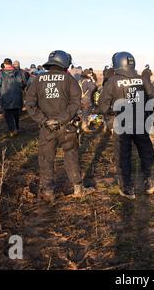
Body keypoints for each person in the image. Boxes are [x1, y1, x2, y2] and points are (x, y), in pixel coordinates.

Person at [25, 50, 92, 201]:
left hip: (46, 128)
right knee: (71, 155)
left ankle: (48, 191)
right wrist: (61, 119)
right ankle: (78, 188)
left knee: (46, 158)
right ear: (65, 63)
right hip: (67, 126)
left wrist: (44, 120)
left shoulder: (38, 79)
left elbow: (30, 104)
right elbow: (76, 103)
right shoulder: (69, 79)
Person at [99, 52, 154, 200]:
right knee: (146, 150)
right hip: (140, 121)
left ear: (117, 63)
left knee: (123, 155)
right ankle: (150, 183)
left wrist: (110, 119)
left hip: (122, 123)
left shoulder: (112, 81)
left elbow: (103, 105)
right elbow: (151, 98)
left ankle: (127, 188)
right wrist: (146, 115)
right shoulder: (142, 79)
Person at [0, 58, 26, 137]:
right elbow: (24, 83)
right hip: (17, 96)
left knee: (8, 114)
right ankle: (16, 127)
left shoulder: (1, 73)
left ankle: (13, 130)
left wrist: (2, 92)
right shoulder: (19, 72)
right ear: (11, 64)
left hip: (5, 96)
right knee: (16, 114)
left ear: (5, 64)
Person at [78, 69, 99, 133]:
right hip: (87, 100)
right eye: (90, 74)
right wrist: (92, 80)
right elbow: (94, 88)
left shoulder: (80, 80)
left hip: (81, 99)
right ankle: (85, 127)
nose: (91, 75)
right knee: (86, 113)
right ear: (87, 74)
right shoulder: (87, 80)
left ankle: (83, 125)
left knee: (83, 113)